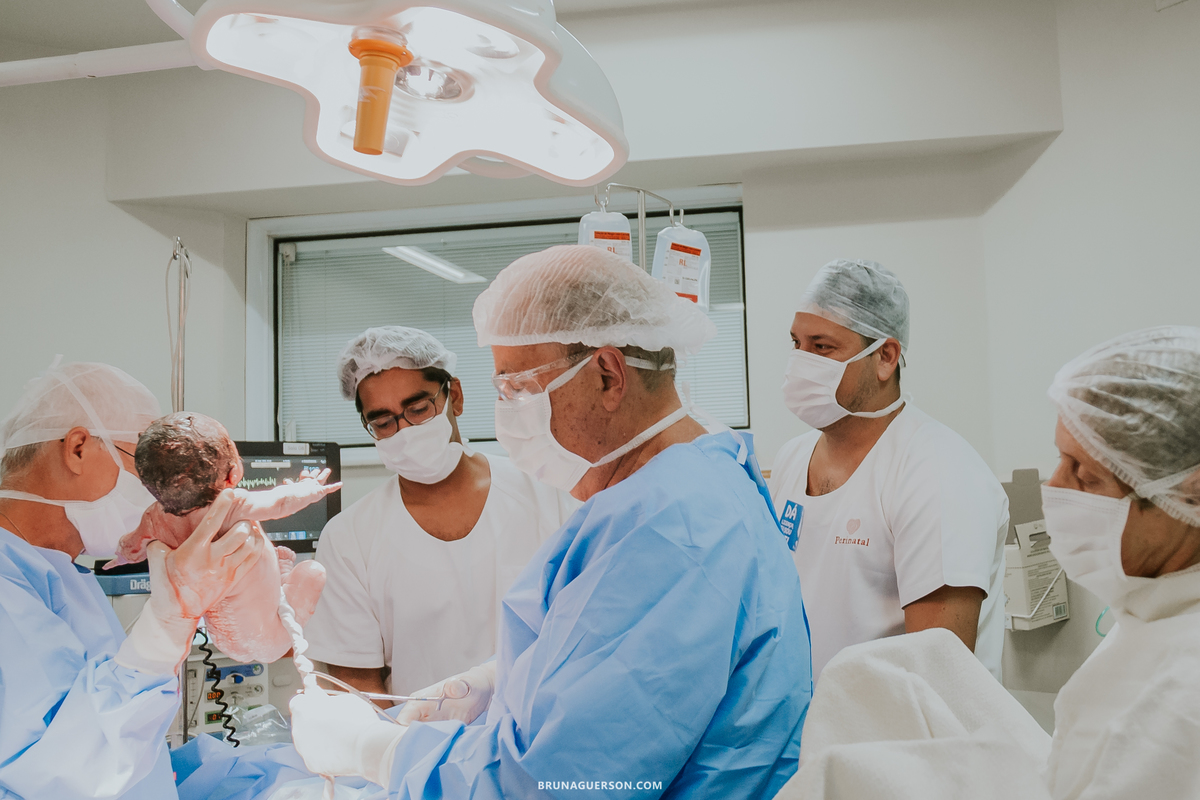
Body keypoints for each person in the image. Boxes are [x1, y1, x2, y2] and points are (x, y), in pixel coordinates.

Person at [289, 246, 813, 799]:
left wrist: (380, 751)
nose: (508, 412)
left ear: (608, 375)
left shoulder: (671, 529)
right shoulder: (687, 482)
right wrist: (505, 683)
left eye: (517, 387)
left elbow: (560, 784)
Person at [0, 360, 264, 800]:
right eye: (146, 463)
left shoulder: (65, 576)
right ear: (78, 448)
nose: (158, 490)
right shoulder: (9, 584)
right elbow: (66, 774)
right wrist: (163, 629)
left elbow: (128, 763)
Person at [303, 326, 576, 697]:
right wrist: (406, 752)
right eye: (383, 422)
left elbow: (587, 627)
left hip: (543, 731)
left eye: (418, 409)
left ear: (455, 397)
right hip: (418, 745)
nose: (404, 431)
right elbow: (357, 685)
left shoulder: (547, 489)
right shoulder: (349, 538)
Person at [769, 259, 1008, 681]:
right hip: (808, 736)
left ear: (885, 357)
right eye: (796, 344)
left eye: (822, 347)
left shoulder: (936, 471)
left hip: (898, 741)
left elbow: (938, 676)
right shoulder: (791, 459)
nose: (801, 362)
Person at [1039, 325, 1200, 798]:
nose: (1054, 487)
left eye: (1085, 476)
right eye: (1060, 459)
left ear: (1189, 496)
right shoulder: (1152, 611)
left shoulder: (1186, 688)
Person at [113, 411, 336, 663]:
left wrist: (118, 558)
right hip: (272, 639)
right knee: (312, 571)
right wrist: (309, 489)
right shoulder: (231, 504)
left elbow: (131, 548)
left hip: (221, 639)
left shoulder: (154, 517)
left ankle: (283, 576)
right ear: (233, 474)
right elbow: (281, 502)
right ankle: (285, 579)